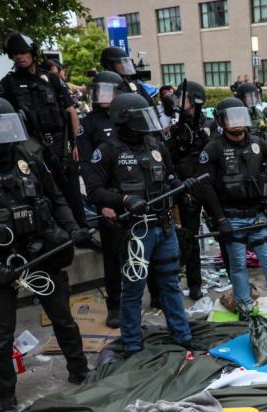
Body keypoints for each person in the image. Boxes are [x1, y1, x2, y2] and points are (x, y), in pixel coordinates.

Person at [0, 97, 90, 412]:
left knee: (63, 317)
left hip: (39, 251)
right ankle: (7, 397)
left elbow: (56, 197)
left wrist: (73, 229)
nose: (4, 133)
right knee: (0, 335)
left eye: (8, 125)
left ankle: (80, 370)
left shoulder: (28, 157)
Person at [86, 93, 203, 356]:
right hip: (135, 233)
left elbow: (170, 176)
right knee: (133, 289)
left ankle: (181, 334)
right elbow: (93, 191)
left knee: (170, 283)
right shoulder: (106, 151)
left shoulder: (156, 144)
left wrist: (183, 186)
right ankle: (132, 343)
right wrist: (124, 200)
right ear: (124, 119)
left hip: (164, 227)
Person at [196, 98, 267, 318]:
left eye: (240, 117)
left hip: (259, 217)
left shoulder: (260, 144)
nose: (237, 122)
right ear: (221, 120)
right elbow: (206, 189)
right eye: (231, 118)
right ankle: (245, 308)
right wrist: (220, 220)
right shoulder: (213, 149)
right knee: (238, 267)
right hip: (231, 218)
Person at [0, 34, 89, 236]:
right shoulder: (8, 84)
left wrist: (77, 144)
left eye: (22, 52)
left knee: (72, 187)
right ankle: (57, 232)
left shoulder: (51, 79)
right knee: (45, 191)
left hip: (60, 142)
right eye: (14, 54)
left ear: (32, 53)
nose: (19, 57)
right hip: (31, 145)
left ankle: (82, 228)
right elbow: (6, 122)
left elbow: (71, 111)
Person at [77, 71, 127, 327]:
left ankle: (156, 298)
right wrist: (103, 203)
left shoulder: (127, 114)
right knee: (113, 257)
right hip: (108, 197)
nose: (104, 97)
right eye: (101, 92)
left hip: (135, 194)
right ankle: (115, 307)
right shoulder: (89, 123)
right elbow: (87, 166)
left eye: (110, 92)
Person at [169, 80, 216, 300]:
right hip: (188, 188)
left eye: (183, 98)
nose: (179, 102)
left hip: (208, 187)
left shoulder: (209, 124)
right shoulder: (175, 127)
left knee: (223, 229)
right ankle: (194, 282)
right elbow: (169, 158)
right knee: (190, 236)